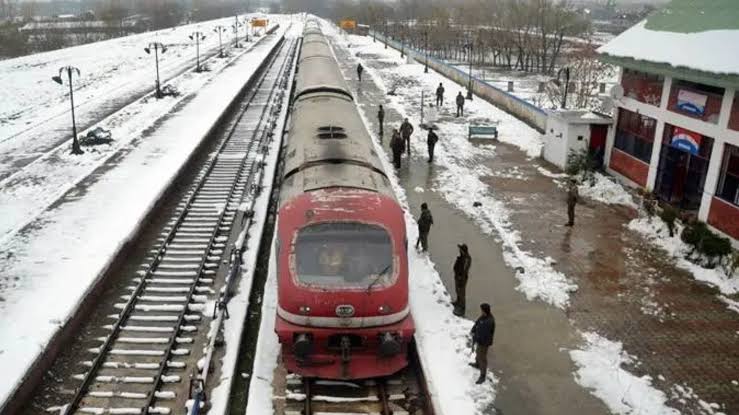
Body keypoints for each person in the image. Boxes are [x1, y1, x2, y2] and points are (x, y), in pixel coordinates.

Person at [469, 303, 495, 384]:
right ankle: (477, 364)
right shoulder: (483, 317)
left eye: (482, 310)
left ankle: (483, 375)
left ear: (485, 311)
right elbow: (477, 323)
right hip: (479, 340)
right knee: (478, 352)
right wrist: (473, 330)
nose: (481, 312)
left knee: (482, 357)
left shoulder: (489, 322)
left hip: (484, 343)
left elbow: (483, 334)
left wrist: (476, 338)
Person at [452, 243, 471, 316]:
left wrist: (461, 278)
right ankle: (458, 302)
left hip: (462, 278)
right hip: (458, 276)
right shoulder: (462, 257)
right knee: (457, 290)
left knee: (462, 293)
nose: (459, 250)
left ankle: (462, 309)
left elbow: (464, 270)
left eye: (460, 249)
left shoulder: (467, 259)